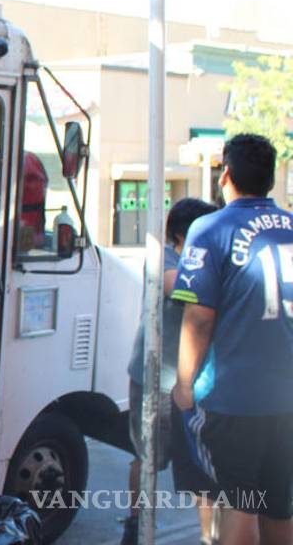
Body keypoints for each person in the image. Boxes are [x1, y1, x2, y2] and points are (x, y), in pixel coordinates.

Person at [174, 134, 293, 545]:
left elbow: (198, 319)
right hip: (287, 397)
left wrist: (185, 384)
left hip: (233, 397)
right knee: (280, 505)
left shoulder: (210, 228)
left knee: (239, 505)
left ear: (225, 174)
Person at [120, 197, 218, 545]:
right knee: (149, 458)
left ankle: (210, 536)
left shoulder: (206, 260)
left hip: (195, 381)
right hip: (155, 378)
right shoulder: (165, 257)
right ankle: (136, 526)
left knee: (204, 469)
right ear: (183, 233)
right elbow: (180, 290)